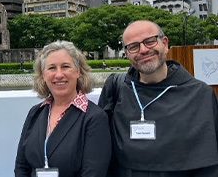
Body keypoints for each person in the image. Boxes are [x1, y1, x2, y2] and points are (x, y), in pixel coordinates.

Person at [98, 20, 218, 177]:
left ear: (165, 43)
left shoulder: (200, 94)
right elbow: (100, 150)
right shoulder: (116, 88)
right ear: (127, 54)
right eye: (133, 46)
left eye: (150, 41)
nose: (143, 50)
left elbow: (209, 163)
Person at [15, 40, 111, 177]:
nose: (59, 74)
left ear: (78, 72)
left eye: (65, 66)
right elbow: (21, 166)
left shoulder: (94, 118)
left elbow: (93, 173)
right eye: (52, 68)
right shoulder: (35, 113)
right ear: (43, 75)